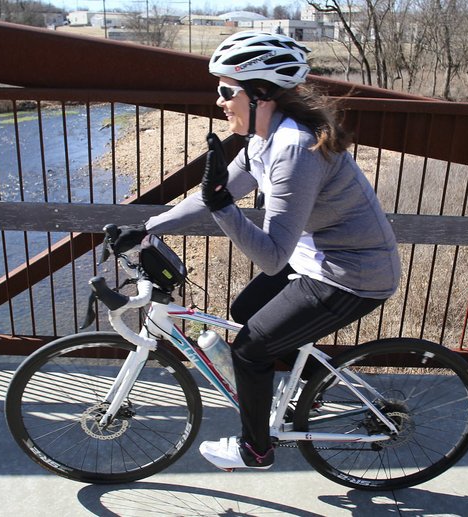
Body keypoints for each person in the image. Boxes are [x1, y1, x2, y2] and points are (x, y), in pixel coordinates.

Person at [112, 31, 401, 470]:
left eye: (227, 91)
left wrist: (223, 207)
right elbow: (217, 191)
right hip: (317, 261)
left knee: (249, 349)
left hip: (352, 275)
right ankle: (308, 388)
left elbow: (270, 256)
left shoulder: (295, 150)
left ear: (260, 94)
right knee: (246, 308)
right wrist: (147, 227)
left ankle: (256, 450)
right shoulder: (265, 138)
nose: (220, 101)